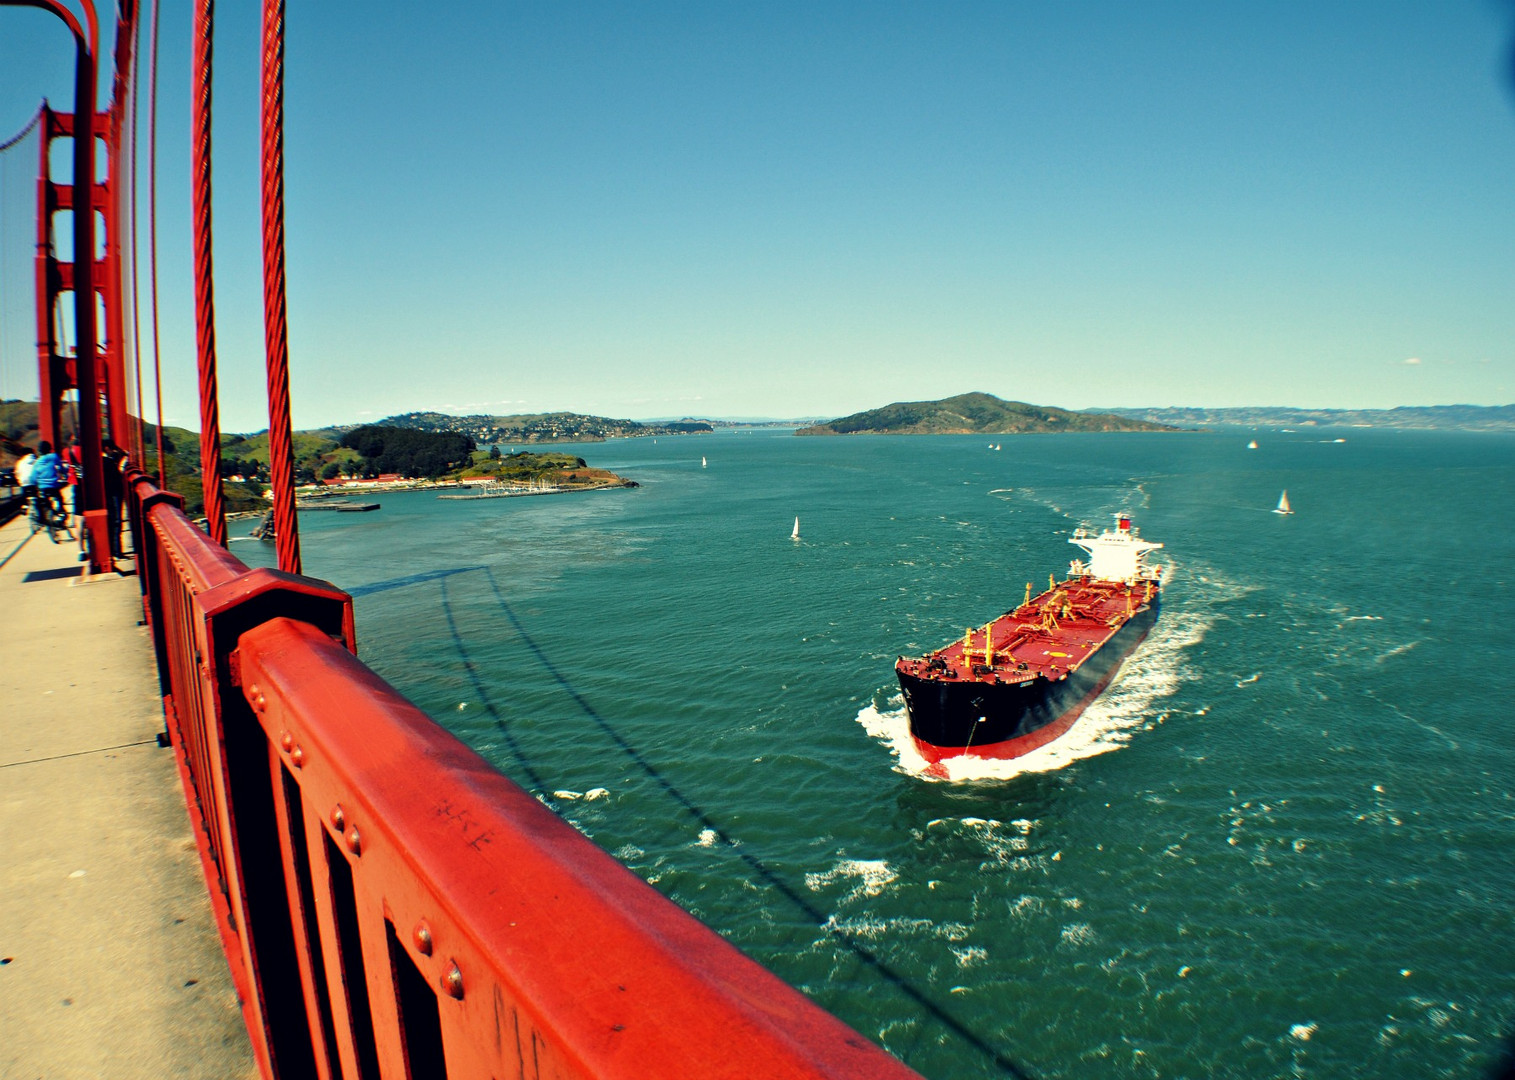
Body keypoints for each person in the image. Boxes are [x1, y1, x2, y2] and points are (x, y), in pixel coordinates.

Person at [29, 440, 70, 538]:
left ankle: (47, 520)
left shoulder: (37, 462)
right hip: (54, 486)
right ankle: (61, 513)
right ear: (49, 448)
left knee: (45, 504)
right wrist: (65, 474)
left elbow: (33, 478)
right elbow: (61, 468)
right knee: (59, 499)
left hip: (43, 488)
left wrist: (36, 484)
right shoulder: (54, 456)